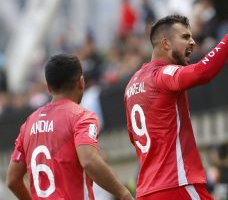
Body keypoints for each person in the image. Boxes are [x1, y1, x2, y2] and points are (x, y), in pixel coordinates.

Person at [124, 14, 228, 200]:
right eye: (185, 37)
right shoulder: (163, 74)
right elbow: (202, 72)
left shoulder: (131, 85)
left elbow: (132, 136)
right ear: (166, 44)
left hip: (146, 191)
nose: (192, 42)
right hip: (177, 185)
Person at [6, 54, 133, 200]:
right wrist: (124, 194)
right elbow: (89, 160)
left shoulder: (28, 124)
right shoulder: (81, 116)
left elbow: (12, 180)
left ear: (48, 87)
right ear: (81, 82)